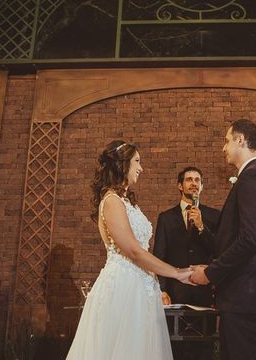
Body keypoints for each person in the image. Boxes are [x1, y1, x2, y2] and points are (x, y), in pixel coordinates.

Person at [66, 140, 194, 359]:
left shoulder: (127, 201)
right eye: (137, 161)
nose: (141, 168)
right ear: (122, 165)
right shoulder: (111, 201)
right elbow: (134, 252)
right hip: (122, 288)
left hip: (141, 286)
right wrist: (176, 273)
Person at [190, 119, 256, 360]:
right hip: (246, 294)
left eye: (227, 140)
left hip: (246, 294)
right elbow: (233, 239)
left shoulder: (253, 177)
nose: (224, 148)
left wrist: (211, 272)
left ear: (241, 140)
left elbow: (251, 239)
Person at [153, 167, 220, 360]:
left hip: (204, 293)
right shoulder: (166, 218)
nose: (194, 183)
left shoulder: (214, 216)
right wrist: (162, 289)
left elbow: (219, 251)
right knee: (175, 347)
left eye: (198, 180)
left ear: (202, 186)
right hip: (174, 294)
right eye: (189, 179)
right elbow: (159, 255)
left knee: (203, 348)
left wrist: (201, 226)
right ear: (180, 186)